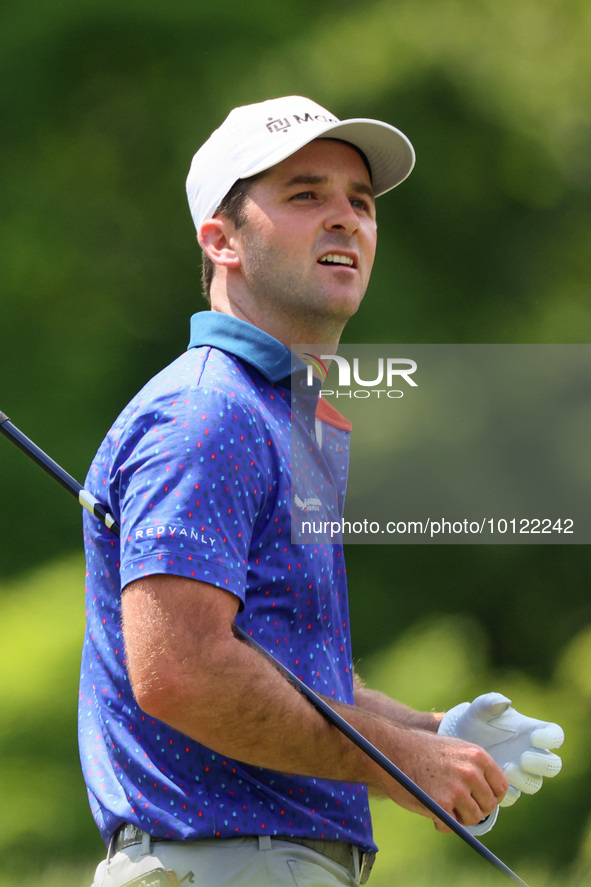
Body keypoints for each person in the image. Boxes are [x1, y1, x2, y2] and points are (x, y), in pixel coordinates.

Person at [81, 96, 562, 887]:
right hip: (227, 864)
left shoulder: (280, 415)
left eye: (361, 202)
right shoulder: (208, 411)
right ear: (221, 240)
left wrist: (429, 730)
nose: (346, 219)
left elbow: (280, 663)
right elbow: (184, 671)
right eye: (305, 195)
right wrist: (401, 760)